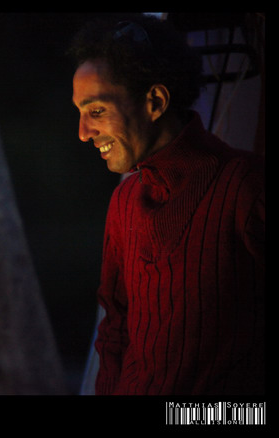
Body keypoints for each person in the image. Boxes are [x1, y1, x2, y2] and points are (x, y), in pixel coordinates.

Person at [70, 14, 264, 395]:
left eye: (97, 111)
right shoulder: (124, 202)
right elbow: (115, 330)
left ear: (155, 102)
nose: (83, 133)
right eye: (80, 114)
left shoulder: (244, 187)